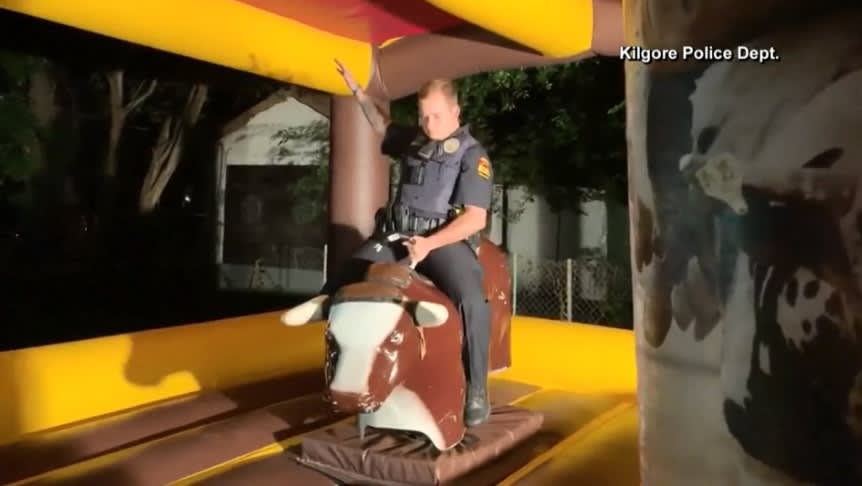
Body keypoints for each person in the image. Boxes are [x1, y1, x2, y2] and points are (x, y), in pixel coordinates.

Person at [324, 59, 494, 427]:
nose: (429, 124)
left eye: (436, 116)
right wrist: (357, 91)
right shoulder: (416, 140)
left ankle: (478, 388)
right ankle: (344, 368)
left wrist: (430, 244)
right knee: (342, 281)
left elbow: (475, 218)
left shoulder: (472, 155)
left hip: (442, 242)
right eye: (423, 116)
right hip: (397, 235)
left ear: (455, 111)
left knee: (471, 300)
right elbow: (381, 125)